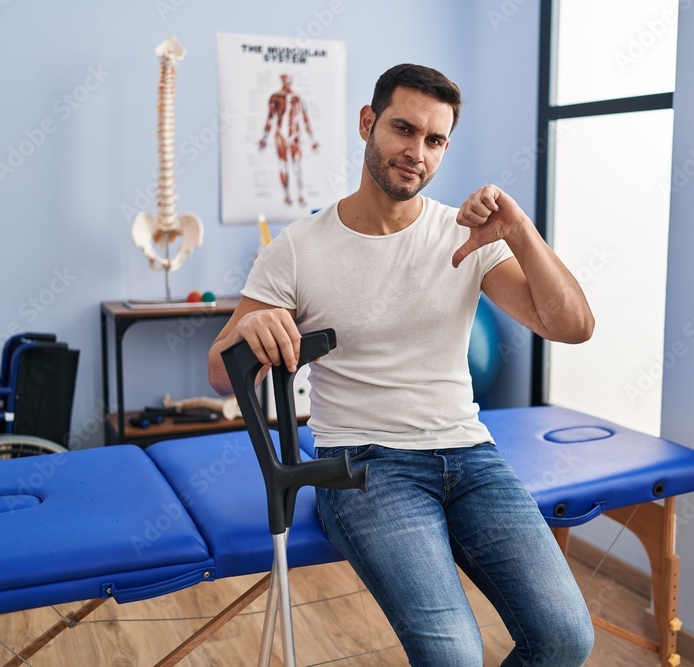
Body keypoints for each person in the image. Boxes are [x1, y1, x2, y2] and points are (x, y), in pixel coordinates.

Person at [209, 63, 595, 666]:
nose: (416, 152)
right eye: (403, 129)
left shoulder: (466, 236)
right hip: (366, 468)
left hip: (471, 457)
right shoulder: (297, 250)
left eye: (435, 140)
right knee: (454, 658)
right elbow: (217, 372)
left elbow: (573, 327)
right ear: (368, 123)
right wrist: (251, 328)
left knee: (566, 638)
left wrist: (520, 232)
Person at [258, 73, 319, 207]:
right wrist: (264, 138)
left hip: (295, 136)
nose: (287, 83)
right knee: (283, 167)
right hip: (281, 135)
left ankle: (301, 195)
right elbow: (269, 118)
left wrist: (312, 140)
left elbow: (305, 119)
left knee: (297, 166)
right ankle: (286, 195)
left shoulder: (298, 98)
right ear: (281, 81)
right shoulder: (276, 97)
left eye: (289, 80)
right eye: (284, 80)